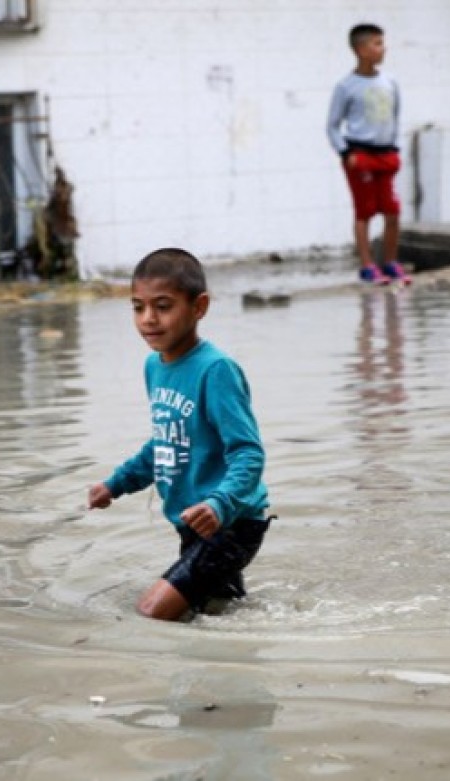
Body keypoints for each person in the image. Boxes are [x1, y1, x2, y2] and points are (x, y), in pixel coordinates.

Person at [87, 248, 272, 621]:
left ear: (199, 307)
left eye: (163, 306)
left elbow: (249, 453)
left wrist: (219, 504)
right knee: (215, 614)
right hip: (192, 523)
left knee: (152, 611)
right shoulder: (154, 367)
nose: (148, 319)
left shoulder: (216, 370)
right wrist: (116, 484)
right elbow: (166, 442)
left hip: (230, 524)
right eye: (138, 307)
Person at [326, 22, 411, 287]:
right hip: (360, 155)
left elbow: (396, 118)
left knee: (392, 210)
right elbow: (332, 125)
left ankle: (390, 261)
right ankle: (367, 266)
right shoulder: (346, 86)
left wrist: (394, 147)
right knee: (364, 212)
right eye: (377, 43)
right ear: (361, 50)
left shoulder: (390, 82)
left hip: (386, 155)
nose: (383, 49)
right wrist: (346, 152)